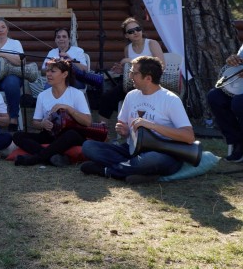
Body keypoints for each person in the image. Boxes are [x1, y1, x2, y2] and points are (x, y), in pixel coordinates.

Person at [81, 56, 194, 184]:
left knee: (152, 160)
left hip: (161, 152)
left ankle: (107, 171)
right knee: (89, 147)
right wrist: (124, 131)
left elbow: (189, 136)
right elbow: (124, 127)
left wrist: (152, 125)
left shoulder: (171, 99)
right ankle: (141, 172)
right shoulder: (131, 95)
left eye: (134, 73)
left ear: (148, 78)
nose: (130, 76)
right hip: (131, 150)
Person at [11, 58, 92, 167]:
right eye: (48, 71)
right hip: (51, 134)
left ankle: (34, 159)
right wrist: (42, 124)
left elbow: (87, 122)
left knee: (71, 134)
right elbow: (35, 122)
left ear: (64, 74)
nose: (48, 74)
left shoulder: (76, 94)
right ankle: (53, 157)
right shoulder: (42, 95)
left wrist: (68, 108)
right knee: (18, 136)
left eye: (53, 71)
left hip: (71, 135)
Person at [207, 2, 243, 167]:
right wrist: (233, 60)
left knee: (241, 103)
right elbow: (240, 62)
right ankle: (240, 142)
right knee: (215, 96)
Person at [98, 17, 166, 118]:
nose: (135, 32)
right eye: (131, 31)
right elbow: (132, 69)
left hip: (152, 82)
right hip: (133, 83)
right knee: (107, 98)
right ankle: (103, 126)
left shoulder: (151, 43)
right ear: (126, 35)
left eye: (138, 29)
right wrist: (123, 70)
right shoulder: (127, 49)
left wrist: (130, 60)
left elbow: (161, 65)